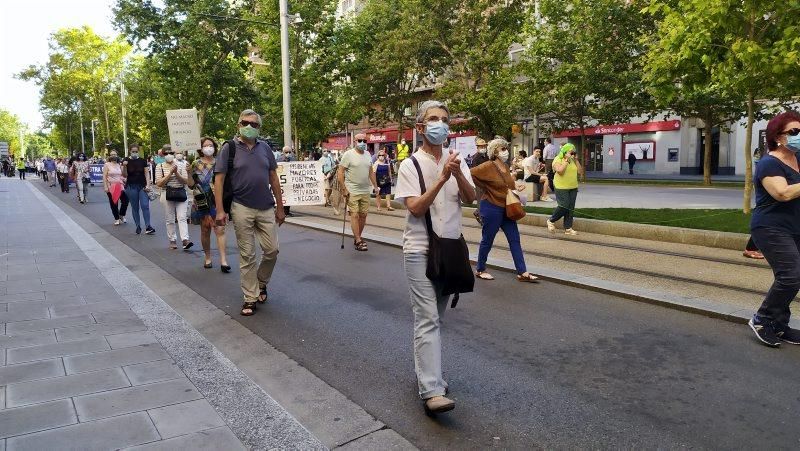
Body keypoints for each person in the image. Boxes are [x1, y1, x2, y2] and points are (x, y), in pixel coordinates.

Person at [395, 100, 476, 414]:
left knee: (435, 319)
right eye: (432, 119)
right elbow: (415, 208)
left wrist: (457, 174)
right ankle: (431, 390)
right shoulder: (410, 165)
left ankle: (427, 375)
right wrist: (442, 177)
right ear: (420, 128)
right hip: (419, 250)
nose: (439, 124)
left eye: (444, 120)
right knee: (427, 318)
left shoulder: (457, 160)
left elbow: (470, 198)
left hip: (450, 250)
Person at [214, 109, 284, 317]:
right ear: (238, 124)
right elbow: (218, 180)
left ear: (259, 128)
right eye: (246, 123)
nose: (250, 127)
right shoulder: (229, 148)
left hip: (266, 206)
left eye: (254, 124)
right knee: (247, 255)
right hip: (241, 206)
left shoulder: (265, 149)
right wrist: (219, 210)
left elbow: (273, 177)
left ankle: (261, 283)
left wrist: (280, 207)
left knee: (272, 251)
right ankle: (250, 297)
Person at [747, 111, 800, 347]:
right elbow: (782, 193)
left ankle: (779, 324)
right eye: (795, 132)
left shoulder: (798, 159)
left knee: (792, 277)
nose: (799, 136)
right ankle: (762, 319)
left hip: (795, 227)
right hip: (770, 227)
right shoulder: (769, 162)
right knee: (791, 274)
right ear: (778, 136)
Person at [470, 138, 539, 283]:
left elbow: (508, 184)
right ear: (494, 151)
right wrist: (485, 187)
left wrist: (515, 187)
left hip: (507, 208)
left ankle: (522, 272)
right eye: (502, 149)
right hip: (491, 207)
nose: (505, 151)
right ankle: (480, 269)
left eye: (505, 148)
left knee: (515, 239)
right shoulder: (488, 165)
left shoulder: (506, 166)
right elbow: (471, 173)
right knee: (487, 240)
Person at [192, 137, 229, 272]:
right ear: (201, 148)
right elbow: (191, 185)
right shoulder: (195, 164)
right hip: (201, 199)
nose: (208, 148)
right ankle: (207, 257)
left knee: (220, 229)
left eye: (211, 145)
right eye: (205, 145)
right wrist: (187, 172)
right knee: (205, 229)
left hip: (217, 199)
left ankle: (223, 260)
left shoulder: (220, 163)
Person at [338, 133, 379, 251]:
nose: (362, 143)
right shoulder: (348, 155)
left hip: (365, 190)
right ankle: (358, 240)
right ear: (354, 142)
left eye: (364, 141)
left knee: (363, 215)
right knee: (354, 215)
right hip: (352, 190)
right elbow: (340, 172)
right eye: (359, 140)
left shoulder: (368, 154)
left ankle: (357, 237)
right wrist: (344, 189)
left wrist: (376, 187)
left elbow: (371, 172)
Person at [155, 148, 193, 250]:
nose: (169, 155)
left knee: (182, 217)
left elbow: (186, 181)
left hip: (181, 192)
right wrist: (170, 173)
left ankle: (185, 240)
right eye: (166, 153)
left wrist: (176, 173)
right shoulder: (160, 166)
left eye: (171, 153)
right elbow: (159, 183)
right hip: (167, 193)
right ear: (163, 155)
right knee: (170, 218)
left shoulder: (183, 164)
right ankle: (172, 240)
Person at [546, 143, 583, 235]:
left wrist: (576, 160)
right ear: (565, 151)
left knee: (570, 208)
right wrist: (566, 160)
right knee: (564, 205)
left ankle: (568, 228)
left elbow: (580, 172)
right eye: (570, 152)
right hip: (561, 187)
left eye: (573, 152)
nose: (572, 154)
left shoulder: (573, 160)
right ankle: (551, 220)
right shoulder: (558, 159)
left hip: (573, 187)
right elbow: (560, 171)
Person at [122, 144, 156, 235]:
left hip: (142, 186)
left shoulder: (143, 160)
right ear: (130, 151)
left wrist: (148, 184)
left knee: (145, 205)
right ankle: (138, 226)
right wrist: (124, 166)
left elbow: (146, 173)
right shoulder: (126, 160)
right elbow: (124, 175)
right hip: (131, 186)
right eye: (133, 151)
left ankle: (148, 226)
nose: (134, 153)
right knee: (135, 207)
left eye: (136, 151)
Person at [103, 152, 129, 225]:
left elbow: (123, 175)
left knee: (126, 200)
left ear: (117, 155)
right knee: (114, 203)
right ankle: (117, 218)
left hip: (120, 185)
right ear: (110, 156)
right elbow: (104, 176)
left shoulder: (119, 165)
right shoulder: (107, 165)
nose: (113, 156)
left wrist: (124, 179)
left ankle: (121, 215)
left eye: (115, 154)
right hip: (111, 186)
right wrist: (105, 186)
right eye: (111, 154)